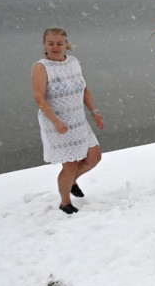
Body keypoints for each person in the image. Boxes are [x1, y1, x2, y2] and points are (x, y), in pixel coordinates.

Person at [32, 28, 105, 214]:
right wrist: (56, 121)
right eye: (51, 43)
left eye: (59, 43)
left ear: (66, 44)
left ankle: (71, 181)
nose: (55, 47)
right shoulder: (41, 67)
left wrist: (94, 112)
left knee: (94, 156)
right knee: (70, 164)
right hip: (56, 123)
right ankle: (65, 202)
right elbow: (39, 98)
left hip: (78, 120)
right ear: (44, 45)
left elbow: (85, 90)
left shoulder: (73, 62)